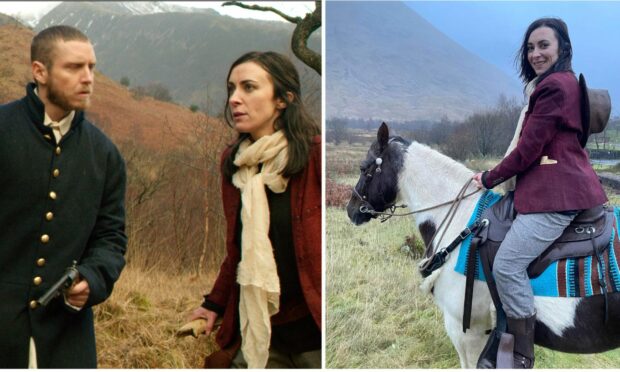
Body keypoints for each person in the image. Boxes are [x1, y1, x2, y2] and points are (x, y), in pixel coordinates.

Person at [472, 18, 607, 368]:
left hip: (557, 198)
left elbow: (526, 151)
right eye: (531, 47)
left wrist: (489, 178)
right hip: (562, 185)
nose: (536, 53)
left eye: (543, 45)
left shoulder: (553, 88)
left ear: (562, 47)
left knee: (506, 265)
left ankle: (519, 353)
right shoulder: (564, 83)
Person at [0, 25, 127, 367]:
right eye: (74, 67)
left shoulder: (105, 154)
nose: (88, 78)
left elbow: (110, 237)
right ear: (39, 71)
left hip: (66, 338)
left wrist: (93, 277)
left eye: (91, 67)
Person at [188, 51, 322, 368]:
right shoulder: (235, 164)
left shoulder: (314, 157)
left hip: (316, 333)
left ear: (283, 99)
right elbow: (237, 250)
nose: (235, 99)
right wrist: (213, 304)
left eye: (248, 88)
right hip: (260, 330)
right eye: (231, 89)